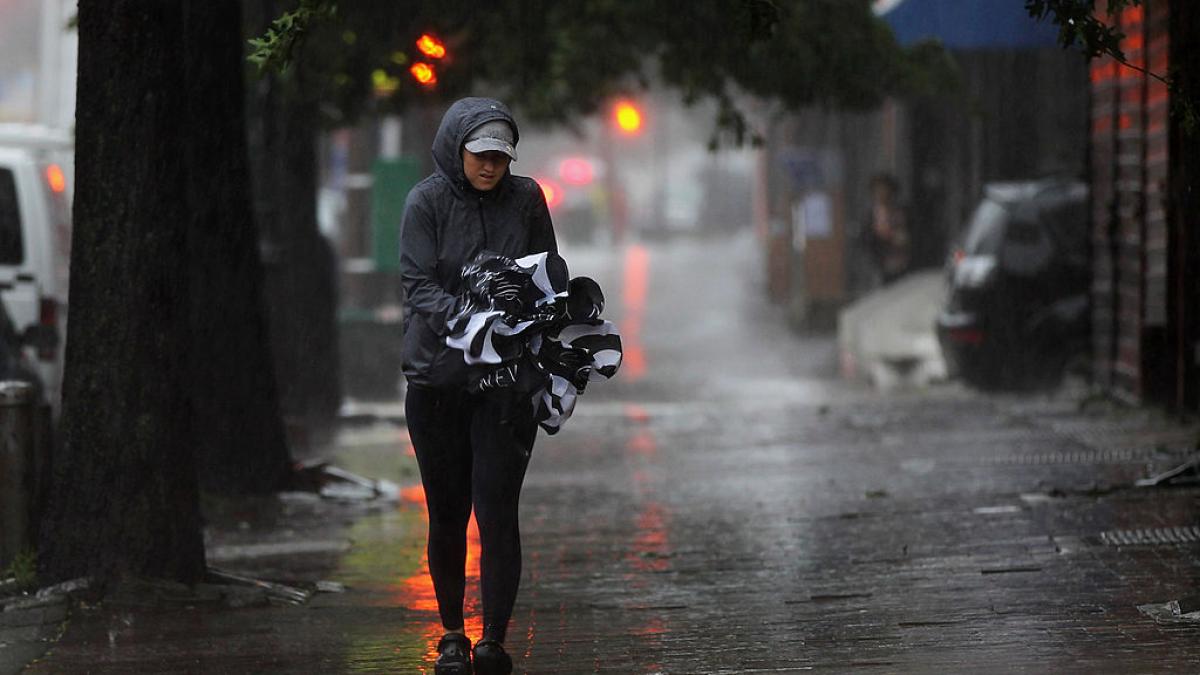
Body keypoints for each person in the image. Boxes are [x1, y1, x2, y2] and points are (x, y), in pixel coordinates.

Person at [398, 97, 557, 675]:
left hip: (505, 384)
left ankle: (493, 640)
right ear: (456, 149)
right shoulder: (426, 202)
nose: (491, 166)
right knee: (447, 511)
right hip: (438, 380)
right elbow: (416, 284)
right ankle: (450, 635)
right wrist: (469, 318)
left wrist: (541, 322)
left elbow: (548, 272)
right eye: (480, 155)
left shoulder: (527, 199)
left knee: (497, 509)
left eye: (501, 157)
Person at [861, 172, 911, 286]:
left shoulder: (901, 211)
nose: (881, 193)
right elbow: (866, 239)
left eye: (884, 189)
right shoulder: (871, 214)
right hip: (881, 263)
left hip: (903, 262)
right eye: (877, 190)